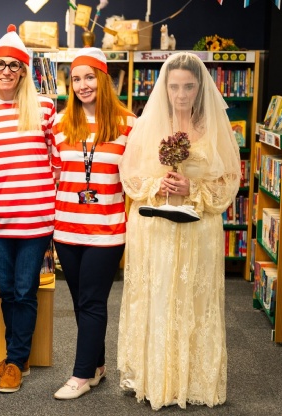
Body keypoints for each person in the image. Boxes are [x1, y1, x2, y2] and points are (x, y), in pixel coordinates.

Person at [117, 52, 240, 410]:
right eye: (174, 87)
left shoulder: (216, 128)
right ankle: (153, 377)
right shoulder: (147, 126)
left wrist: (193, 188)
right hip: (154, 228)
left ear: (200, 88)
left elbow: (230, 181)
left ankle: (191, 380)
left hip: (198, 229)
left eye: (189, 86)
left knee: (194, 302)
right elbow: (129, 176)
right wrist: (157, 184)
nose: (181, 94)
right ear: (165, 88)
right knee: (155, 298)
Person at [0, 25, 56, 393]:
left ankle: (17, 362)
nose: (6, 71)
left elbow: (58, 162)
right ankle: (15, 357)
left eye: (14, 65)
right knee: (6, 291)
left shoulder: (44, 109)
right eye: (0, 65)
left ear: (23, 72)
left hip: (36, 218)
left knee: (24, 291)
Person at [51, 47, 135, 400]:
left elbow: (135, 178)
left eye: (89, 77)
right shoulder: (59, 124)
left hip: (107, 229)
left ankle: (81, 375)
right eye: (76, 79)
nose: (82, 85)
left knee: (92, 301)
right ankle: (98, 365)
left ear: (103, 80)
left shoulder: (128, 124)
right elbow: (56, 175)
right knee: (80, 302)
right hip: (66, 228)